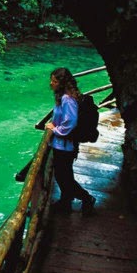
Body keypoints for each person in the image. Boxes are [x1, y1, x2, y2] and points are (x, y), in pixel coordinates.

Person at [45, 67, 96, 216]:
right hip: (64, 145)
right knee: (64, 175)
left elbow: (70, 122)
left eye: (54, 81)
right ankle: (65, 202)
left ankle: (87, 198)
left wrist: (55, 129)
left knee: (63, 177)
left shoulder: (67, 99)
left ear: (61, 83)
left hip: (65, 146)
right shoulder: (64, 96)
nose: (51, 83)